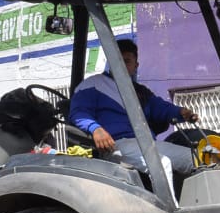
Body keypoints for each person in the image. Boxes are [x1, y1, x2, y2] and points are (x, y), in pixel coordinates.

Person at [69, 39, 201, 181]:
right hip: (116, 145)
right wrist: (96, 129)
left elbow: (161, 107)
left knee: (199, 158)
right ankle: (168, 204)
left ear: (135, 65)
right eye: (118, 60)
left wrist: (181, 112)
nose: (122, 65)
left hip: (146, 144)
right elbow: (78, 113)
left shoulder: (140, 91)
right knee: (161, 164)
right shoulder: (93, 84)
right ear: (110, 61)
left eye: (127, 61)